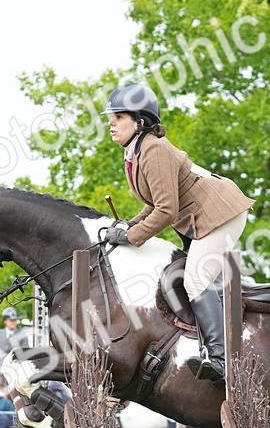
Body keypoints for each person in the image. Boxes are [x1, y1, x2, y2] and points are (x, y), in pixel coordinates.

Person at [101, 82, 255, 383]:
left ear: (140, 121)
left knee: (195, 279)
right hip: (203, 217)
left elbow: (166, 211)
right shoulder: (137, 151)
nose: (111, 123)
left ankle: (222, 360)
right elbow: (153, 204)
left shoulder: (153, 150)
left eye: (118, 117)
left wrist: (131, 237)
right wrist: (129, 225)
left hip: (221, 213)